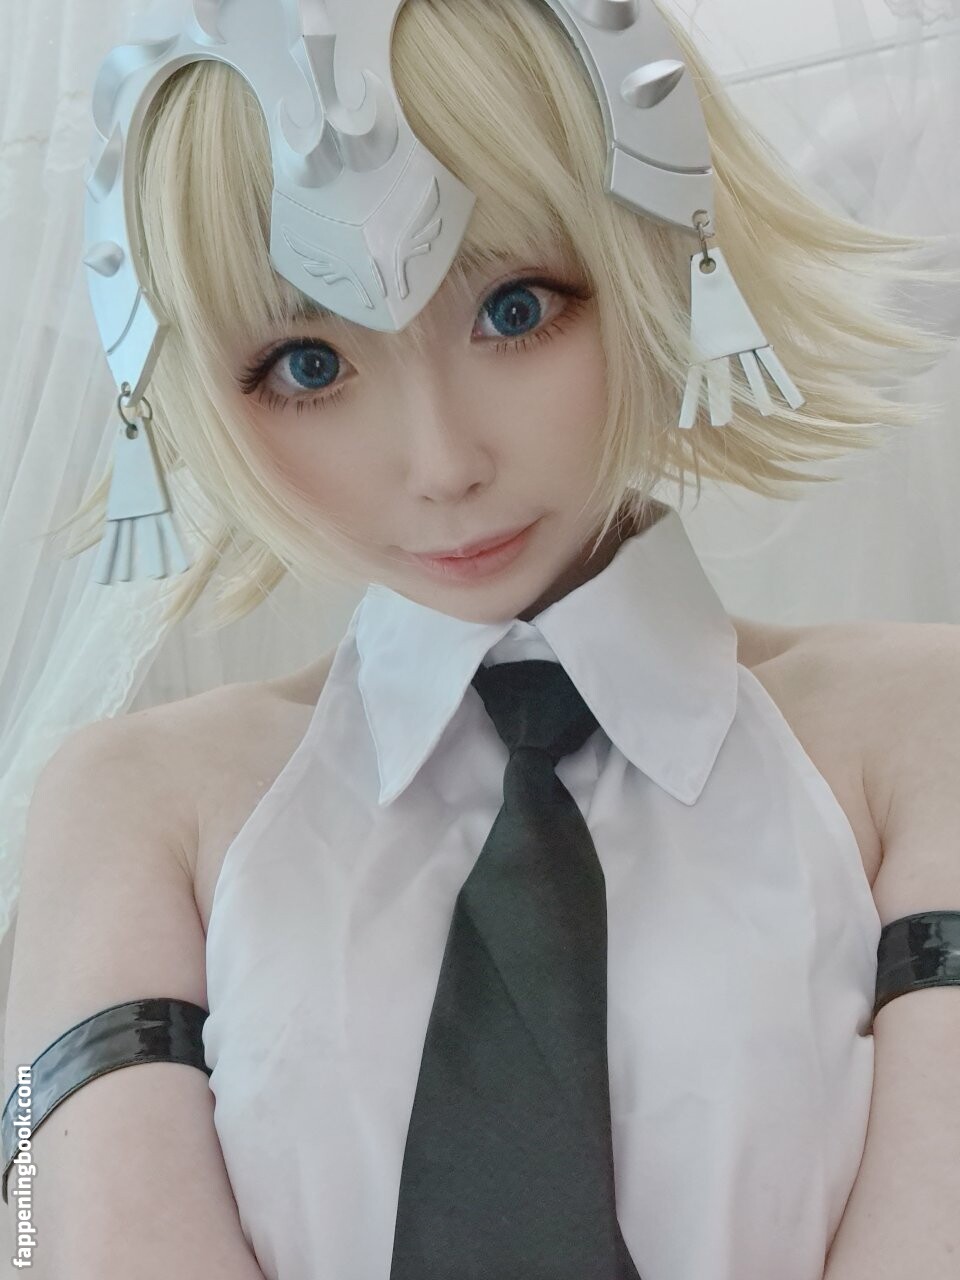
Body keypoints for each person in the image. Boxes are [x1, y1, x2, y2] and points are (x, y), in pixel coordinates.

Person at [2, 1, 957, 1278]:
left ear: (657, 250)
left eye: (514, 309)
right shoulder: (135, 804)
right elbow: (69, 1241)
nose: (442, 461)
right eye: (306, 366)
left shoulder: (921, 728)